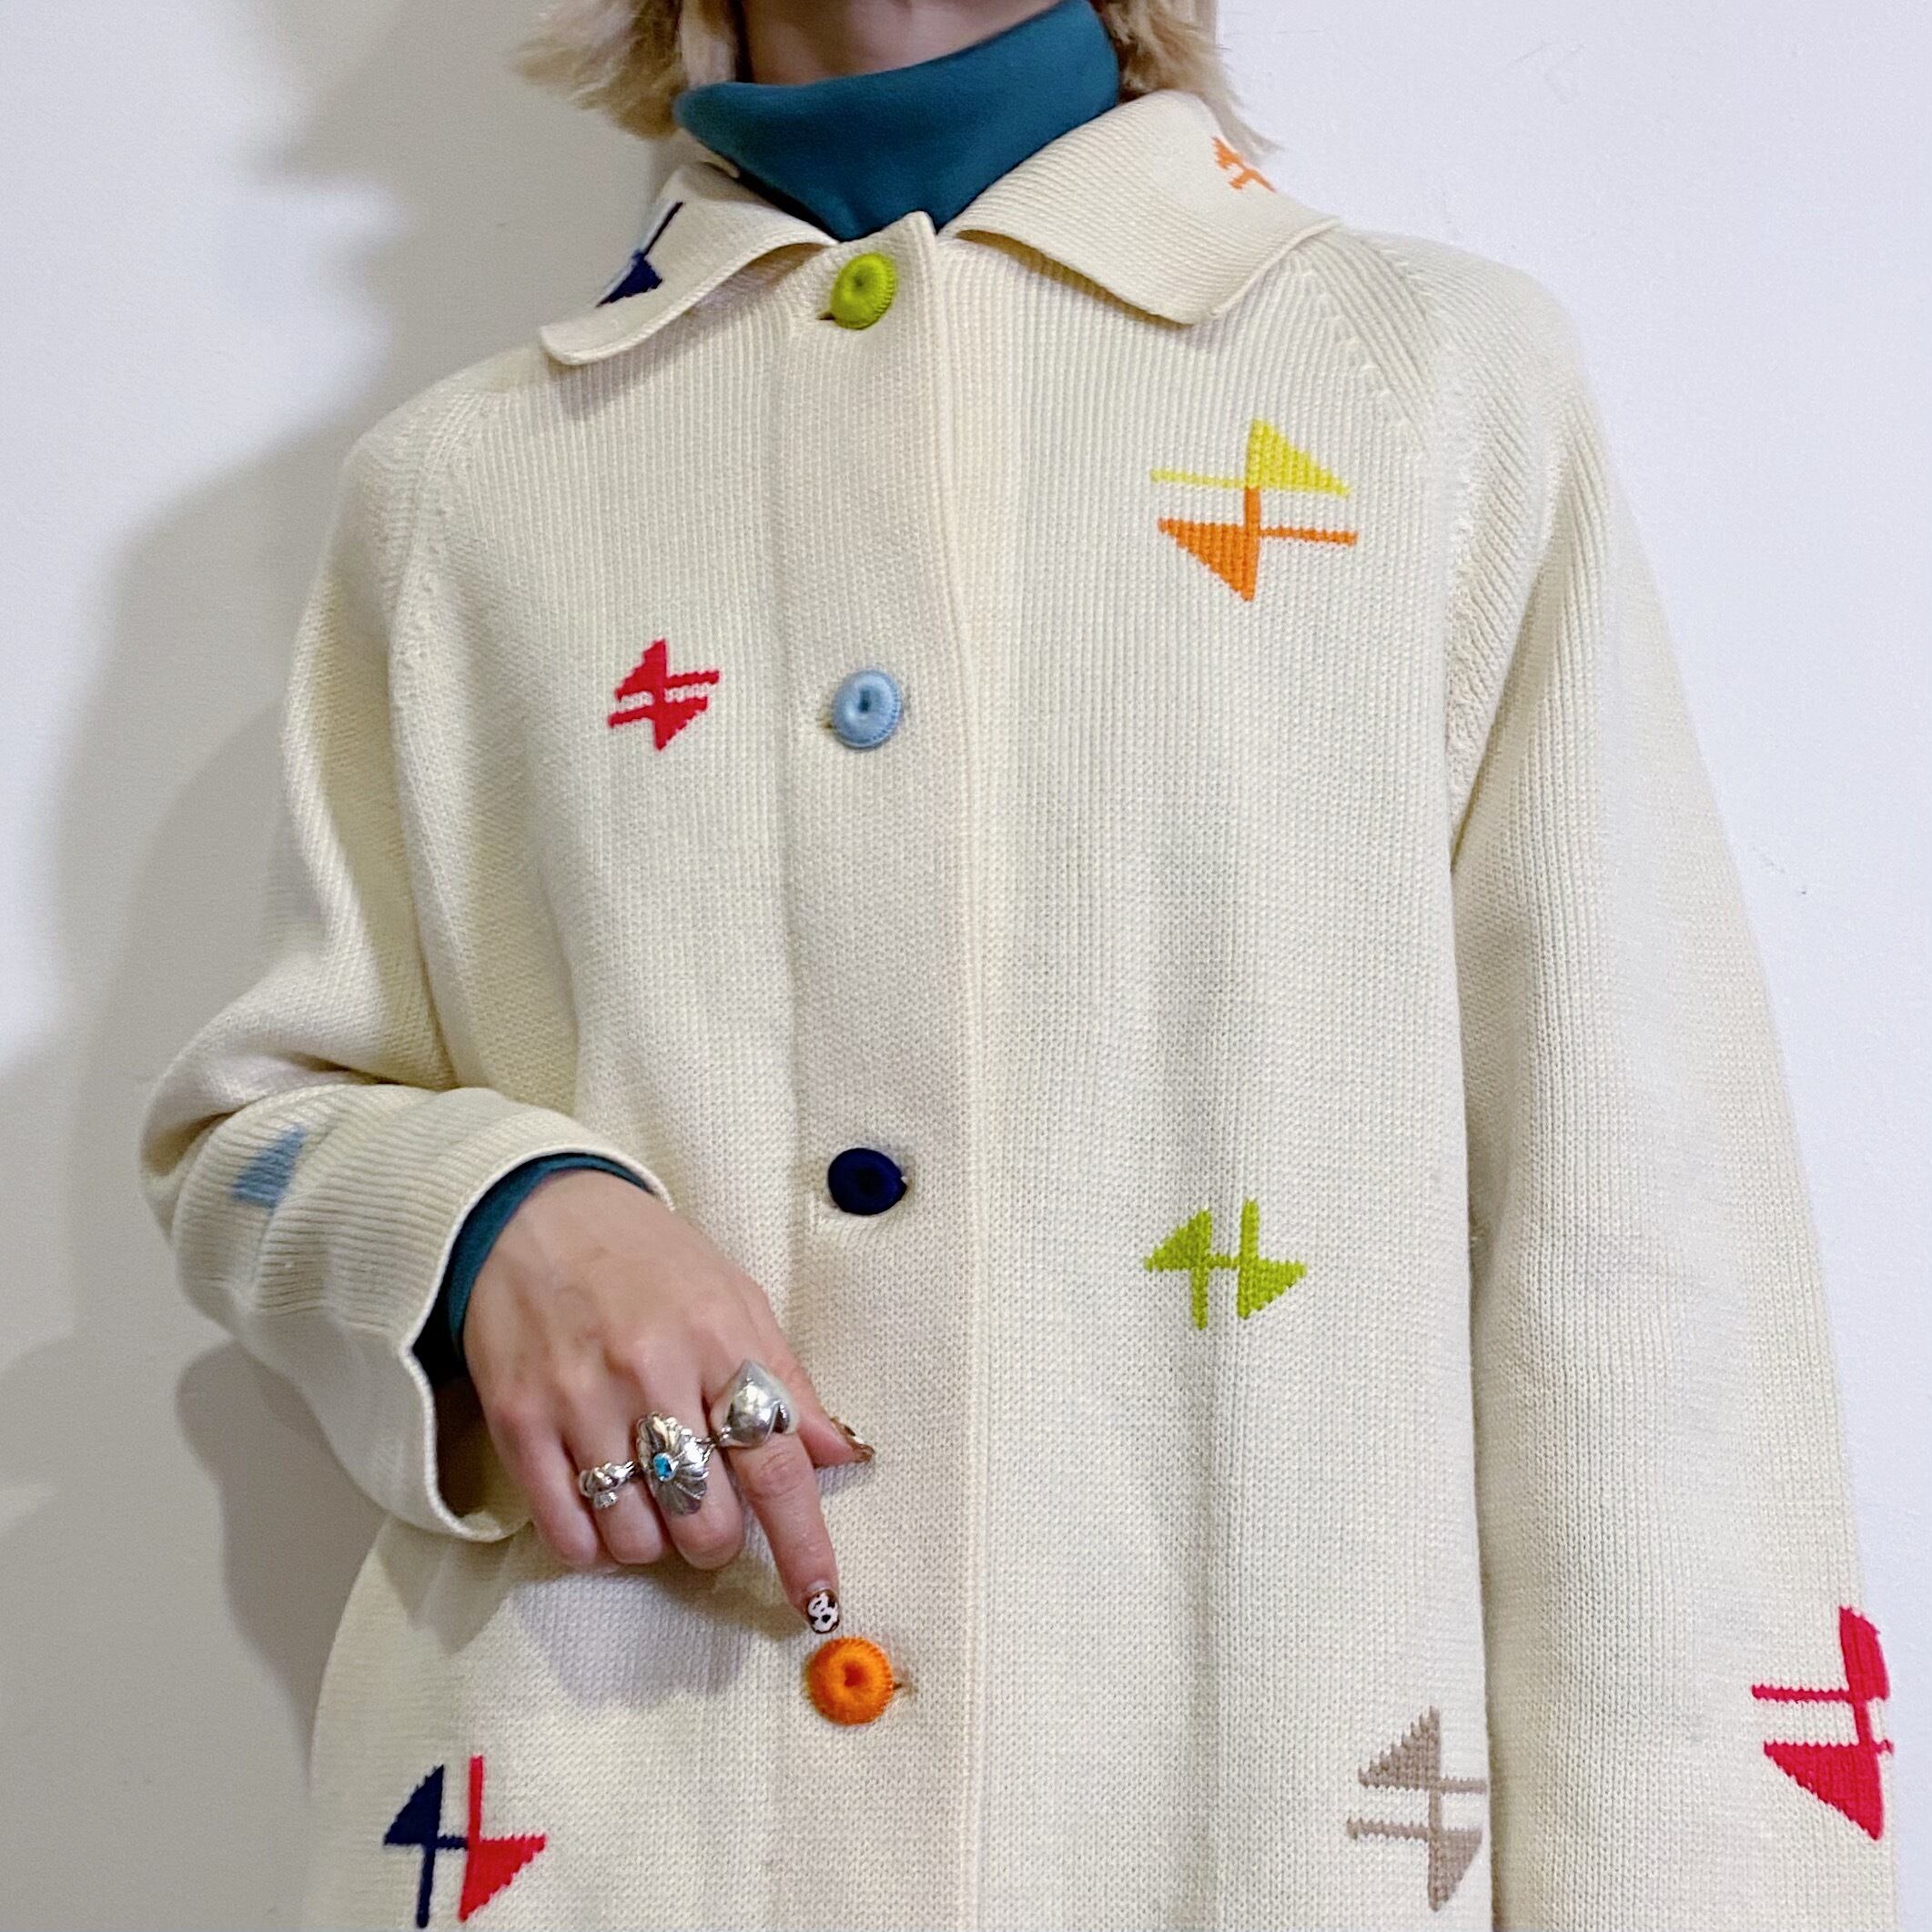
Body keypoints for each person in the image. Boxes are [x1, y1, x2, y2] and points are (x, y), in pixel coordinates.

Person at [135, 1, 1900, 1927]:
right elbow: (252, 1143)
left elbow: (1644, 1257)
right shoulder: (469, 487)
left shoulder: (1420, 390)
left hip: (1235, 1840)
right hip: (602, 1840)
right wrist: (496, 1224)